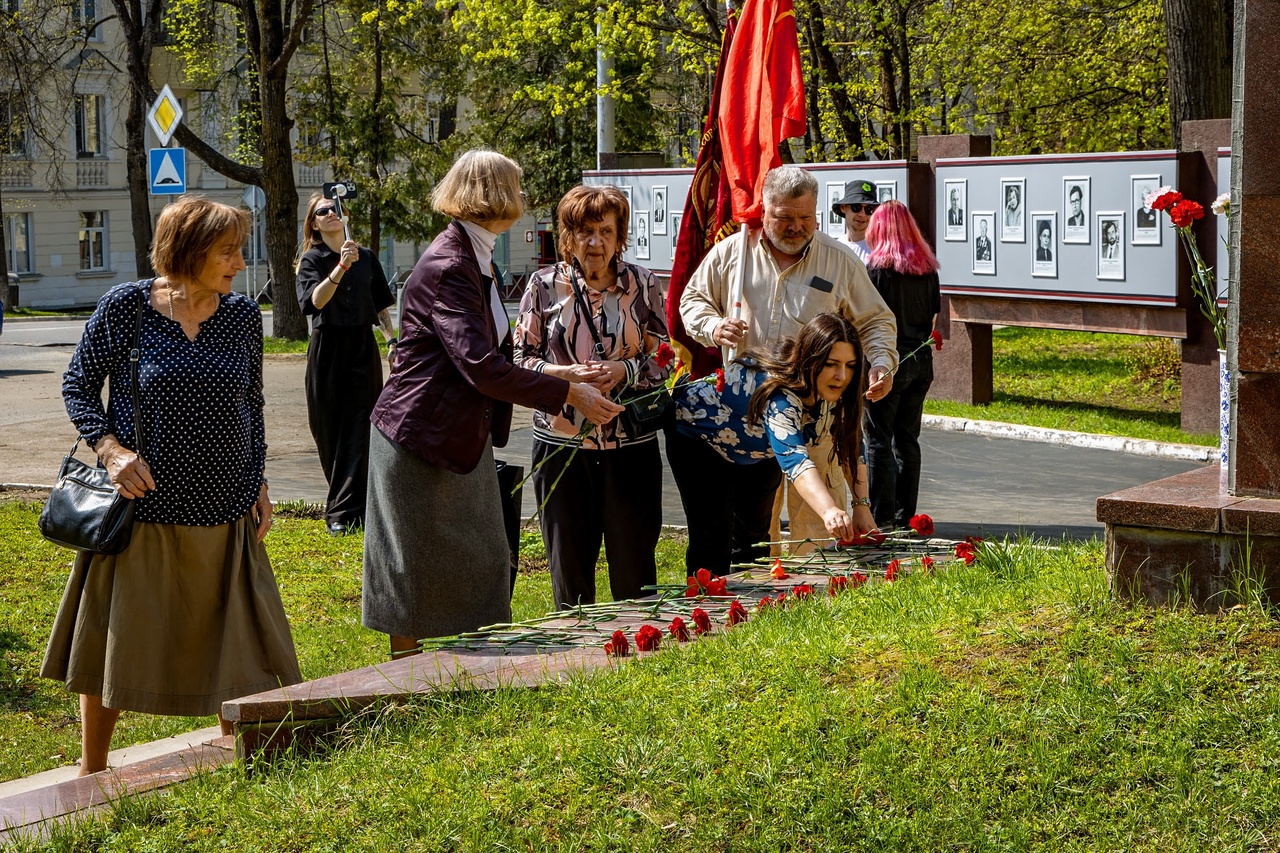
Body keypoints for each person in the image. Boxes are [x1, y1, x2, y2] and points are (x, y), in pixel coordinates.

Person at [43, 195, 301, 776]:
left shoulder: (241, 316)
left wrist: (258, 479)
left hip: (225, 504)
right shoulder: (127, 308)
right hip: (143, 507)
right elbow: (78, 383)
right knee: (115, 639)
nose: (240, 263)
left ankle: (241, 761)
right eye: (227, 251)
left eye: (239, 249)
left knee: (234, 638)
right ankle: (92, 768)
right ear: (188, 250)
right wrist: (110, 450)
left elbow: (252, 404)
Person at [362, 150, 622, 657]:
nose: (523, 196)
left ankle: (466, 669)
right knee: (410, 567)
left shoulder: (473, 254)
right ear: (494, 194)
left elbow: (490, 357)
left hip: (456, 434)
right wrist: (567, 393)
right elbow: (480, 366)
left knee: (482, 559)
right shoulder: (451, 264)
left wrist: (560, 374)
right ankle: (404, 677)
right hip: (419, 437)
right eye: (516, 186)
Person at [678, 164, 897, 563]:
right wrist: (714, 326)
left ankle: (812, 597)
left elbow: (876, 321)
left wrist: (880, 362)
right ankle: (761, 593)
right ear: (764, 210)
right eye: (784, 218)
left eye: (805, 218)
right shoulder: (734, 252)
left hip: (815, 415)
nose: (796, 227)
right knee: (753, 540)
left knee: (818, 538)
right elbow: (692, 301)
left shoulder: (839, 261)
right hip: (750, 416)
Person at [514, 184, 670, 609]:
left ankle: (637, 644)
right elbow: (520, 361)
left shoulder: (643, 284)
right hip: (561, 448)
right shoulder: (544, 286)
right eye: (585, 231)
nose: (595, 242)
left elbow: (665, 357)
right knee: (570, 576)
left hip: (631, 449)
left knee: (636, 577)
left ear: (620, 237)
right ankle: (574, 647)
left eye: (605, 231)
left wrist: (625, 370)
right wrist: (566, 377)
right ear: (569, 236)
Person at [670, 313, 877, 575]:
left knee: (756, 539)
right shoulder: (781, 397)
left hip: (757, 449)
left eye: (850, 365)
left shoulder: (837, 391)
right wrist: (829, 511)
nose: (841, 375)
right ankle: (707, 595)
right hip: (699, 442)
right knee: (713, 536)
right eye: (831, 364)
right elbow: (795, 461)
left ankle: (751, 597)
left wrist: (861, 506)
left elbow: (852, 444)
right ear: (810, 360)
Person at [295, 193, 397, 535]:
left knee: (361, 428)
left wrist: (392, 342)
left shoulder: (366, 257)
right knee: (329, 429)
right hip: (328, 348)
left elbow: (381, 306)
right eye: (323, 211)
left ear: (345, 215)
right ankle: (346, 505)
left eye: (335, 209)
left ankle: (343, 512)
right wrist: (340, 267)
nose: (331, 214)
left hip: (362, 347)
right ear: (314, 224)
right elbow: (314, 302)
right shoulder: (312, 260)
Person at [861, 201, 941, 530]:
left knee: (878, 437)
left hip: (888, 361)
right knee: (908, 439)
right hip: (920, 360)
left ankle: (882, 516)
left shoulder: (877, 270)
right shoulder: (928, 270)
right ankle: (907, 515)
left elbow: (866, 318)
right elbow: (933, 317)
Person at [831, 179, 878, 263]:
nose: (862, 214)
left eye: (869, 209)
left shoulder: (878, 251)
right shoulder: (834, 249)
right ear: (843, 207)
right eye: (856, 207)